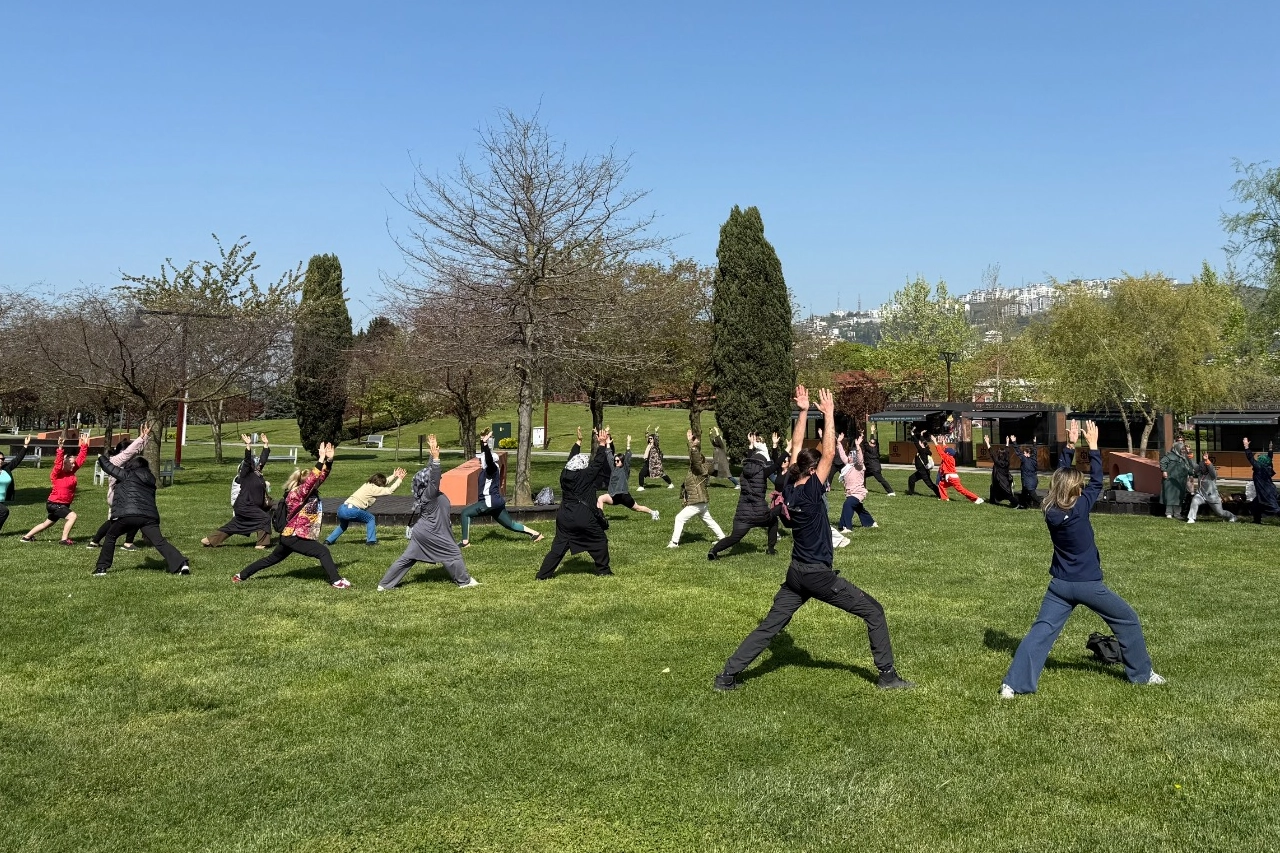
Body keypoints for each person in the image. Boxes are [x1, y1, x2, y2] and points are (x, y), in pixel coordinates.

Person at [714, 386, 913, 692]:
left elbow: (795, 447)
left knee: (770, 626)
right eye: (819, 467)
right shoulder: (809, 492)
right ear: (812, 470)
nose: (825, 471)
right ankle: (887, 676)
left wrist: (804, 411)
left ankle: (727, 675)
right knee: (874, 611)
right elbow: (829, 452)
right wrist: (829, 414)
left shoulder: (788, 484)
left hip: (796, 575)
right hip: (818, 576)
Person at [1000, 421, 1164, 697]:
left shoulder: (1049, 508)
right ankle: (1142, 675)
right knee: (1128, 620)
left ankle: (1012, 684)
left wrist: (1069, 446)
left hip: (1060, 585)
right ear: (1077, 490)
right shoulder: (1080, 509)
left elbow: (1060, 479)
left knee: (1041, 632)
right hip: (1088, 584)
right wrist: (1094, 446)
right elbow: (1098, 481)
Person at [233, 442, 352, 589]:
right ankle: (336, 581)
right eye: (314, 481)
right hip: (294, 536)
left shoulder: (310, 491)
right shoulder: (296, 494)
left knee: (271, 559)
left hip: (290, 535)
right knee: (323, 551)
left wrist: (329, 460)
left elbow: (321, 477)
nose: (317, 482)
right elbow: (312, 481)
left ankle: (241, 575)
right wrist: (320, 460)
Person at [378, 434, 479, 590]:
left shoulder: (426, 493)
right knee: (453, 553)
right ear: (427, 483)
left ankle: (384, 585)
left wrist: (432, 452)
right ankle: (464, 582)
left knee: (407, 559)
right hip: (432, 533)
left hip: (423, 532)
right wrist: (437, 459)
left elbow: (430, 474)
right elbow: (434, 477)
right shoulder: (430, 494)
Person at [92, 450, 189, 576]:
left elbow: (108, 467)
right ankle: (182, 564)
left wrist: (101, 456)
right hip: (149, 517)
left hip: (128, 515)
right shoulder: (151, 480)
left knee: (110, 536)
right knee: (159, 542)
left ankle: (101, 568)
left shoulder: (127, 474)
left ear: (132, 465)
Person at [536, 428, 613, 580]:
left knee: (558, 548)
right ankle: (603, 570)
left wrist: (578, 442)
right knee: (599, 541)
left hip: (564, 516)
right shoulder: (585, 475)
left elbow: (571, 459)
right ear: (582, 467)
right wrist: (602, 444)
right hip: (583, 516)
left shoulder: (565, 474)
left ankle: (542, 575)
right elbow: (598, 463)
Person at [459, 430, 543, 546]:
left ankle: (465, 542)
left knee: (465, 513)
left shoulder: (491, 469)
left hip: (489, 502)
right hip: (497, 502)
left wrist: (485, 444)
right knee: (510, 524)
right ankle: (536, 534)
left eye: (481, 460)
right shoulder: (493, 468)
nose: (479, 461)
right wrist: (483, 442)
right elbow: (486, 456)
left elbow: (487, 458)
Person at [708, 431, 782, 560]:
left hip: (742, 515)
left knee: (734, 537)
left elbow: (750, 460)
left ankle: (714, 551)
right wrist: (780, 447)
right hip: (759, 513)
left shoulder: (743, 473)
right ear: (762, 463)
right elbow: (777, 464)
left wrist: (750, 446)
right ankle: (770, 549)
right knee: (774, 520)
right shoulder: (763, 472)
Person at [202, 434, 273, 549]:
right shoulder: (244, 474)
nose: (256, 464)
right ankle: (262, 544)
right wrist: (248, 446)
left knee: (235, 525)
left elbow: (263, 460)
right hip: (245, 505)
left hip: (249, 506)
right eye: (253, 463)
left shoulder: (256, 472)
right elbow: (247, 460)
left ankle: (209, 540)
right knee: (264, 518)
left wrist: (265, 444)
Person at [87, 428, 151, 550]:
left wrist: (144, 439)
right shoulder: (116, 460)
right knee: (118, 520)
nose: (133, 454)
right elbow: (131, 451)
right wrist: (142, 437)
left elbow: (136, 451)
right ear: (123, 451)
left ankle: (98, 542)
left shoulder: (124, 462)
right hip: (117, 496)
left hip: (120, 496)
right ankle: (99, 541)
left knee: (129, 517)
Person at [22, 431, 90, 545]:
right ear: (65, 463)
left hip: (63, 504)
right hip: (55, 503)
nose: (74, 465)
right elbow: (58, 463)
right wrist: (60, 448)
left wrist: (84, 446)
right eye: (71, 463)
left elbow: (81, 460)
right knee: (72, 516)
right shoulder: (57, 473)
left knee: (47, 523)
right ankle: (64, 539)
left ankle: (26, 537)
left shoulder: (71, 471)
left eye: (74, 463)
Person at [669, 429, 726, 548]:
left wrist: (693, 445)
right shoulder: (702, 468)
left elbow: (694, 459)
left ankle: (674, 542)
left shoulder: (699, 469)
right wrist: (690, 443)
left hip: (697, 501)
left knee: (679, 518)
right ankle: (722, 538)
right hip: (701, 501)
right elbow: (693, 459)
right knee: (709, 521)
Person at [324, 466, 407, 545]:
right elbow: (390, 490)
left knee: (343, 525)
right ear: (379, 484)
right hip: (352, 510)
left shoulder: (367, 484)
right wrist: (399, 479)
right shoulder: (374, 489)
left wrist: (394, 476)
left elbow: (384, 483)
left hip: (342, 509)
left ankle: (328, 541)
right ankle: (371, 541)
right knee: (371, 518)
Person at [597, 434, 659, 521]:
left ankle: (654, 512)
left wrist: (628, 443)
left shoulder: (624, 469)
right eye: (615, 461)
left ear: (622, 462)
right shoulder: (613, 467)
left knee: (637, 508)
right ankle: (600, 518)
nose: (616, 462)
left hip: (624, 496)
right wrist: (607, 444)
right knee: (600, 498)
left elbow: (628, 457)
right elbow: (609, 455)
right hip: (613, 496)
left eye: (618, 461)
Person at [834, 433, 877, 532]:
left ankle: (846, 527)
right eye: (849, 454)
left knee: (848, 505)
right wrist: (839, 442)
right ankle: (870, 523)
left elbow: (860, 458)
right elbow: (842, 454)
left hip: (858, 493)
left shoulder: (859, 466)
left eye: (852, 455)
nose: (849, 456)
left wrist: (858, 447)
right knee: (859, 508)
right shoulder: (848, 465)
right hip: (850, 492)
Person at [1186, 453, 1236, 524]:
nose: (1200, 468)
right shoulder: (1200, 473)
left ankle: (1232, 516)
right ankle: (1191, 518)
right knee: (1195, 500)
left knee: (1220, 513)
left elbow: (1212, 470)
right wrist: (1190, 457)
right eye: (1201, 466)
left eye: (1202, 466)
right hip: (1201, 494)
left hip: (1212, 496)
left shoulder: (1212, 475)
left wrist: (1207, 461)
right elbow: (1194, 465)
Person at [932, 436, 983, 504]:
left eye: (946, 452)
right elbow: (945, 449)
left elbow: (940, 451)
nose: (945, 451)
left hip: (952, 478)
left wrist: (935, 441)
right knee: (941, 484)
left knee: (961, 490)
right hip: (950, 477)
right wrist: (943, 442)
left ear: (947, 454)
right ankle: (944, 498)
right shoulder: (951, 457)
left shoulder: (947, 458)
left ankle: (976, 498)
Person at [0, 434, 33, 535]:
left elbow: (17, 460)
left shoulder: (6, 469)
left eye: (2, 459)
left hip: (1, 500)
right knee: (4, 512)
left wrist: (25, 446)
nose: (1, 460)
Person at [1243, 437, 1279, 524]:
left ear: (1261, 462)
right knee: (1255, 506)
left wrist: (1246, 446)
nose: (1257, 460)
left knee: (1275, 510)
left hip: (1266, 493)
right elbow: (1270, 458)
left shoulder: (1259, 468)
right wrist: (1270, 449)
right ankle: (1256, 521)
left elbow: (1250, 458)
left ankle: (1257, 520)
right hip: (1268, 491)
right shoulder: (1268, 467)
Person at [1160, 440, 1194, 520]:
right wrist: (1164, 471)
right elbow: (1163, 462)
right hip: (1170, 480)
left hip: (1181, 481)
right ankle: (1168, 513)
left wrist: (1191, 475)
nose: (1183, 451)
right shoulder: (1169, 456)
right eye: (1181, 449)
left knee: (1179, 497)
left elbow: (1189, 467)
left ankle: (1177, 513)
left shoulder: (1185, 457)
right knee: (1170, 496)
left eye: (1183, 449)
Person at [984, 433, 1018, 507]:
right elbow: (1007, 452)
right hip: (1004, 481)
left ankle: (1016, 503)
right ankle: (993, 501)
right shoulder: (1007, 461)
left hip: (1000, 481)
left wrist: (987, 442)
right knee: (992, 488)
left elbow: (992, 453)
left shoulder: (997, 462)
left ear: (999, 455)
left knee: (1007, 495)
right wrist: (1007, 443)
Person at [858, 428, 895, 496]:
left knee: (881, 480)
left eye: (870, 442)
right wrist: (872, 432)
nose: (869, 443)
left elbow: (864, 441)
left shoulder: (868, 448)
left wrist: (862, 434)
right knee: (861, 475)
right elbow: (872, 441)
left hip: (873, 469)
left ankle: (891, 492)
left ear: (872, 444)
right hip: (875, 468)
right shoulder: (876, 448)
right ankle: (862, 489)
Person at [905, 427, 939, 497]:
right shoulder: (924, 449)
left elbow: (916, 442)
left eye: (920, 443)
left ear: (922, 445)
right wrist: (921, 434)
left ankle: (940, 495)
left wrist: (912, 434)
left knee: (930, 485)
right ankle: (910, 493)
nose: (919, 443)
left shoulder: (922, 451)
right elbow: (922, 442)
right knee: (911, 479)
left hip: (923, 472)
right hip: (920, 471)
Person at [1015, 440, 1041, 509]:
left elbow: (1018, 452)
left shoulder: (1025, 459)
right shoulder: (1034, 459)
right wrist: (1035, 443)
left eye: (1024, 453)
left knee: (1033, 494)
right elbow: (1035, 451)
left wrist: (1014, 442)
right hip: (1033, 480)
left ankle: (1042, 504)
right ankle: (1023, 505)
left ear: (1028, 453)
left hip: (1028, 482)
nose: (1023, 454)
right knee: (1024, 493)